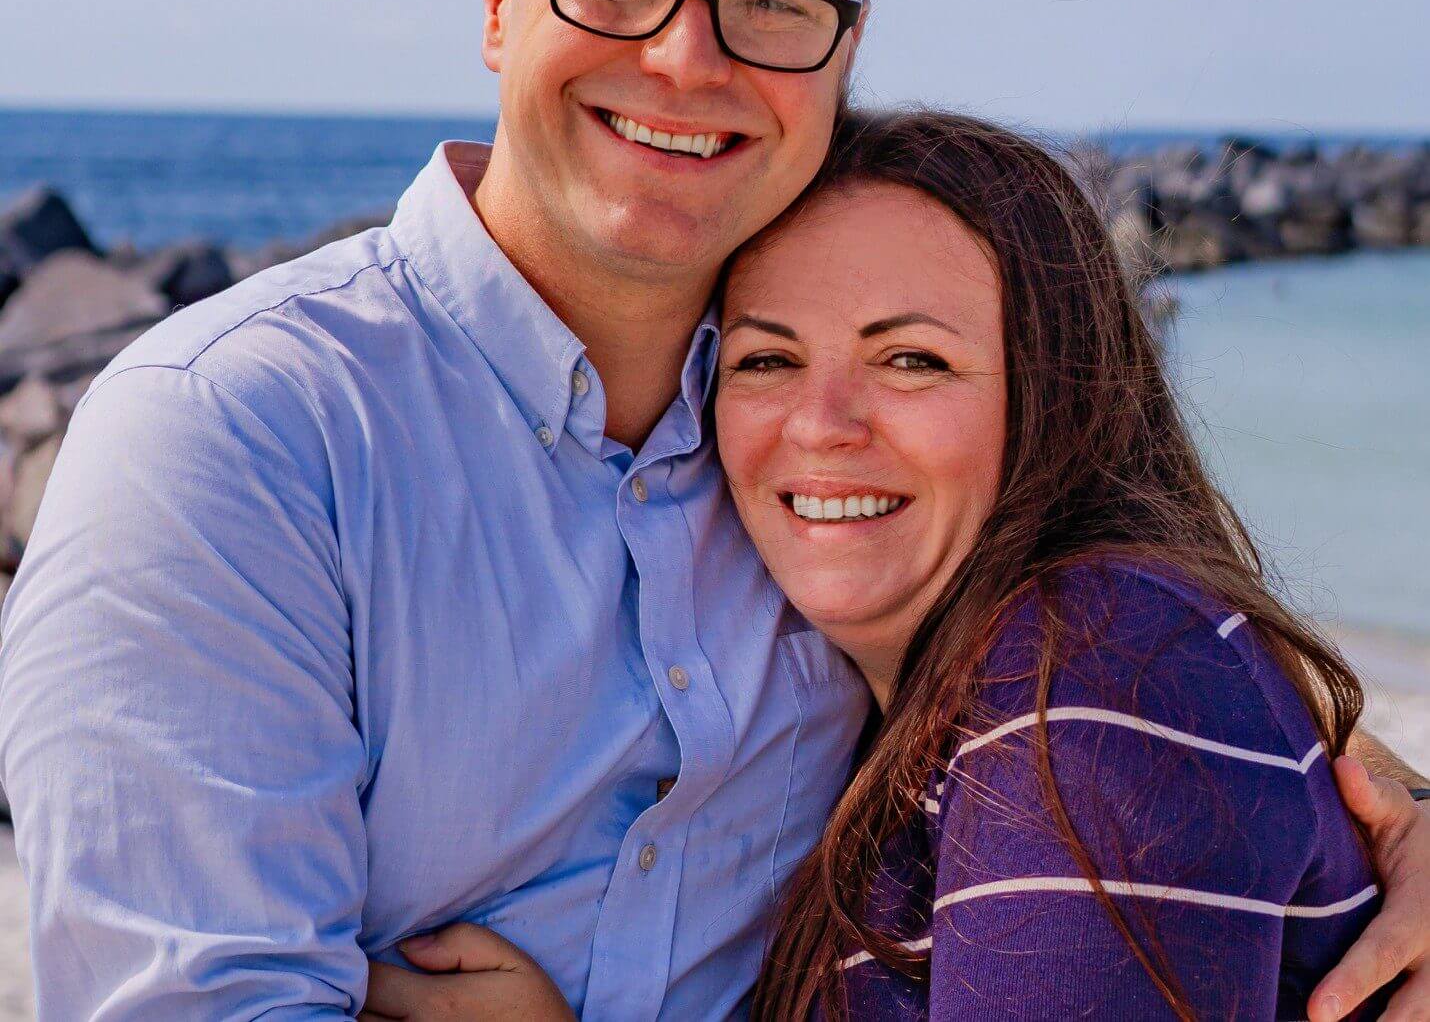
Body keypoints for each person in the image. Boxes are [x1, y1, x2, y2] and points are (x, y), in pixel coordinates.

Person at [0, 0, 1426, 1019]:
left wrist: (1382, 815)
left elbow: (1146, 698)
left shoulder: (827, 478)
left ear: (841, 49)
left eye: (771, 1)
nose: (687, 56)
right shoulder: (239, 443)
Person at [375, 109, 1425, 1020]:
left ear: (1059, 396)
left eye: (911, 358)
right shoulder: (916, 694)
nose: (820, 425)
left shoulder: (1090, 674)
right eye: (766, 359)